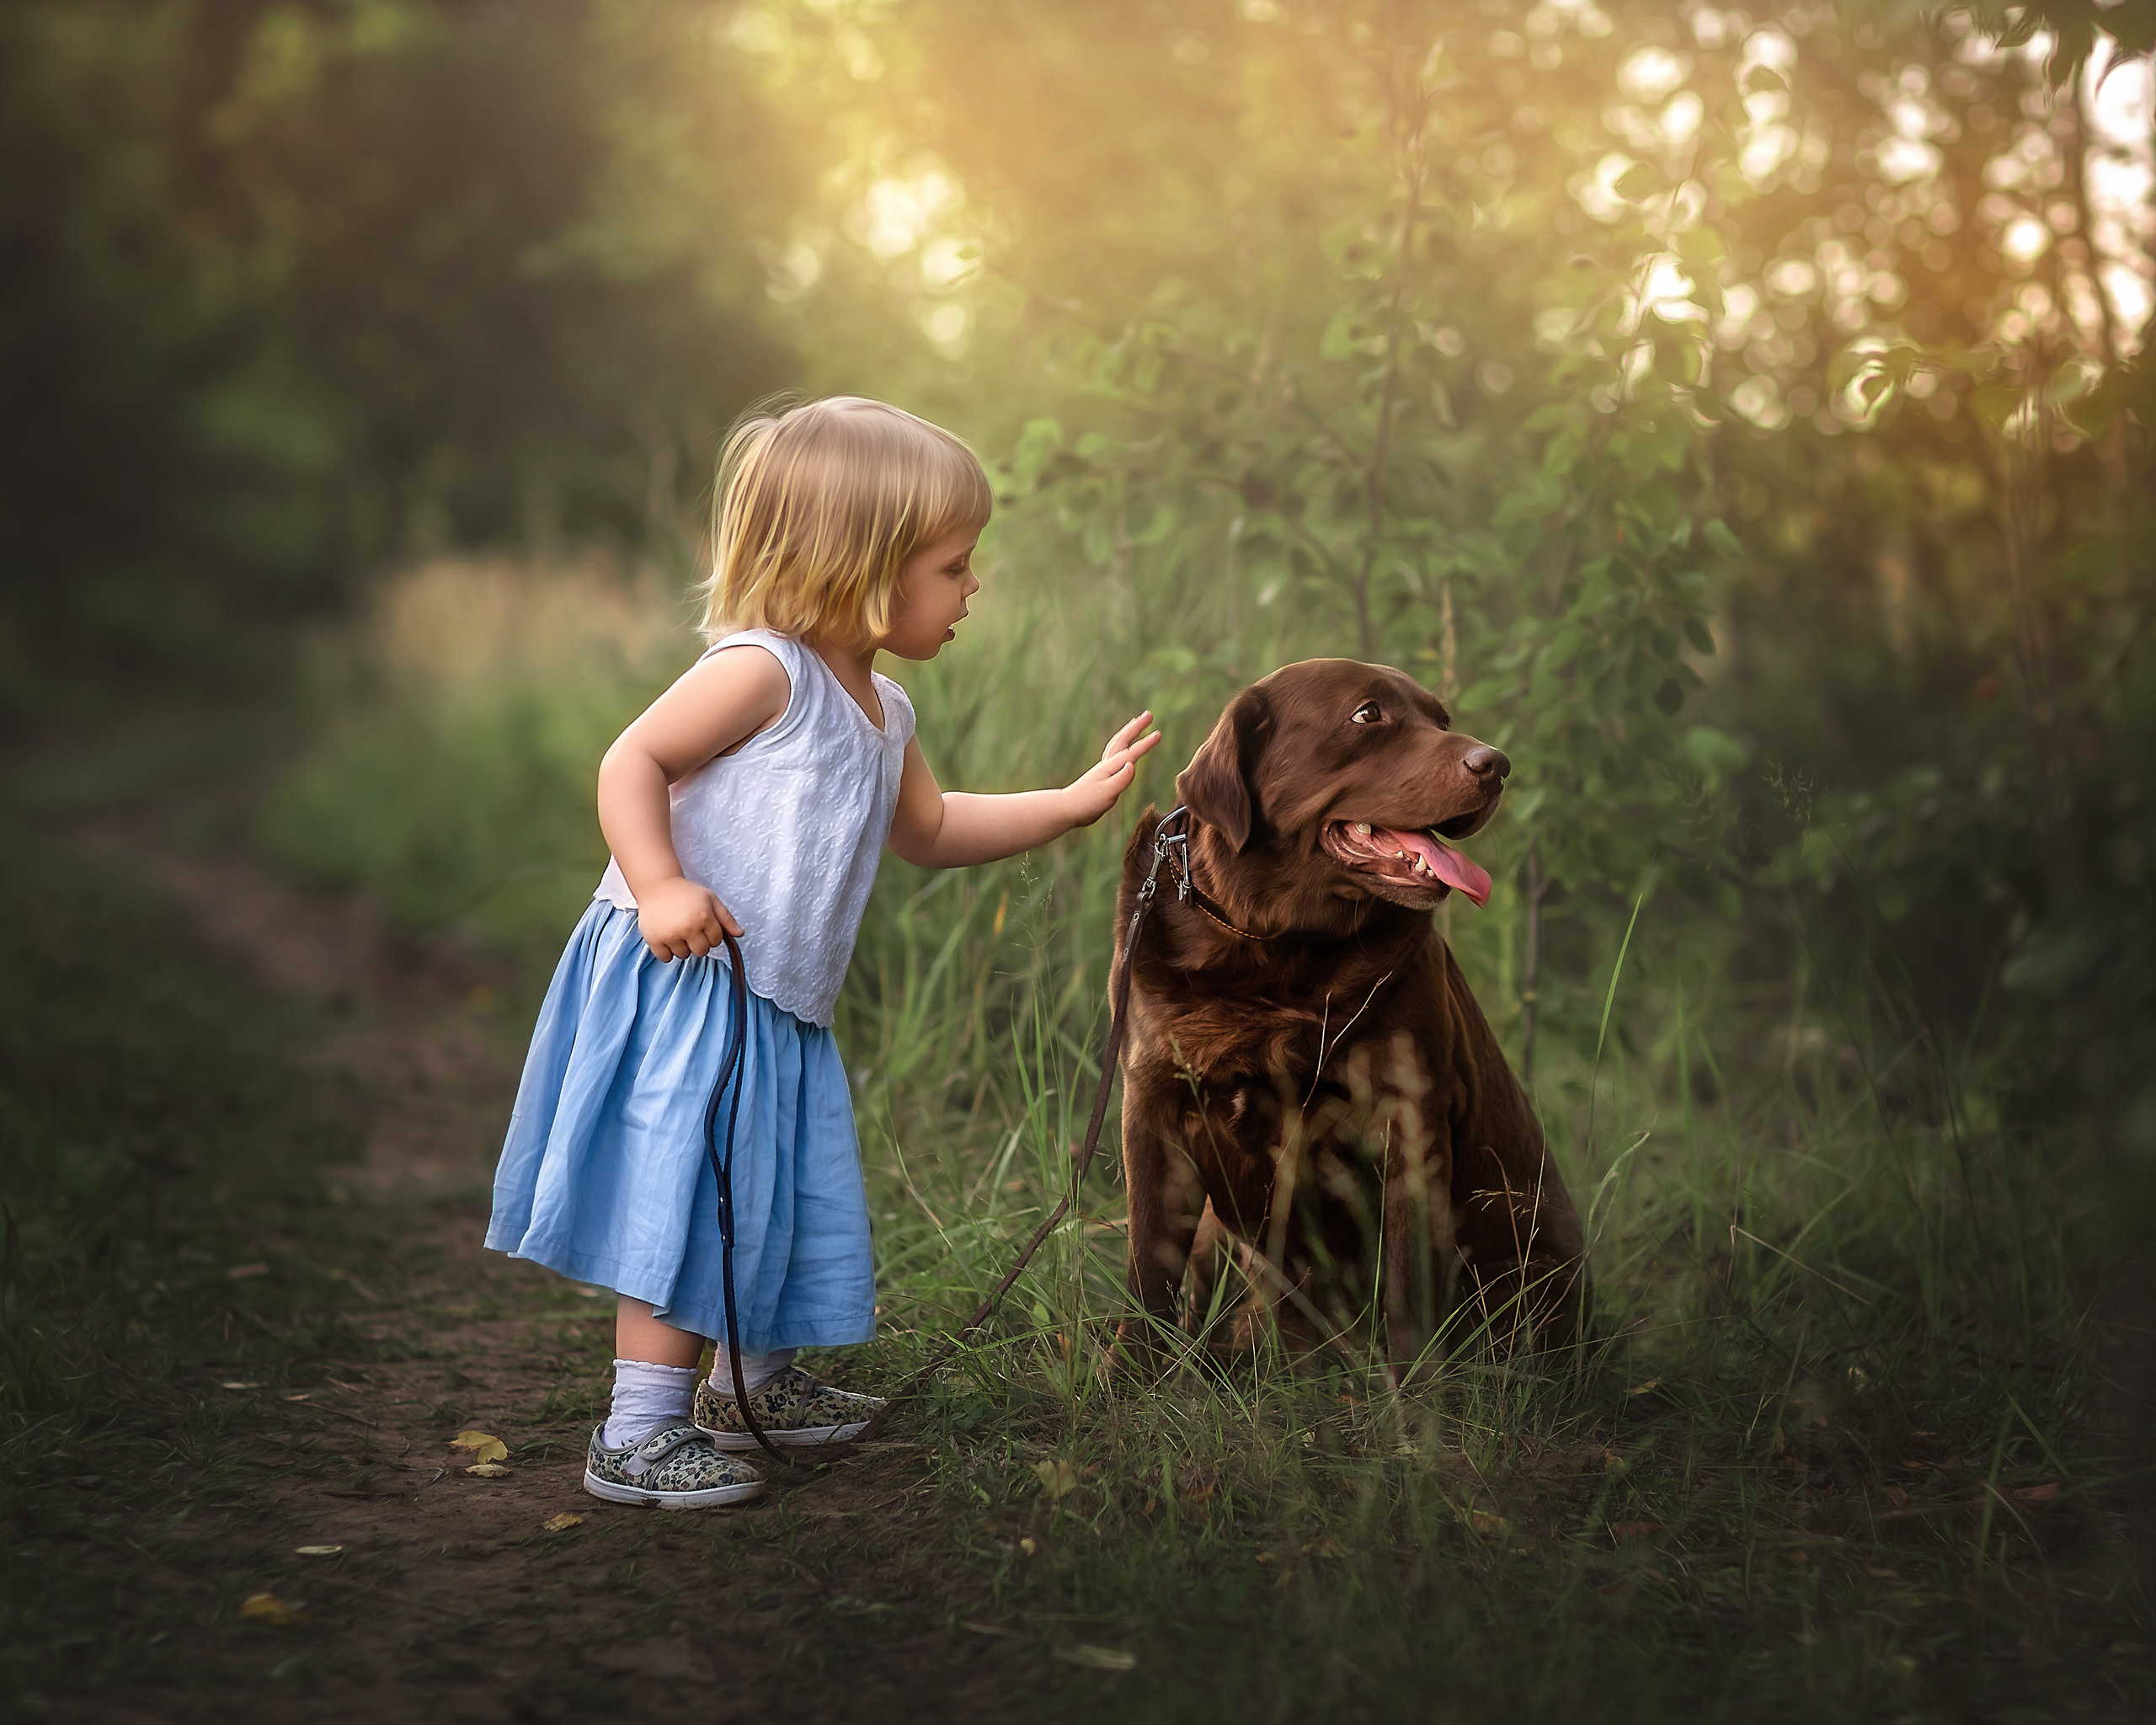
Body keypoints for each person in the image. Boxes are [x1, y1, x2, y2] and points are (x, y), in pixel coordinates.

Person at [485, 396, 1159, 1509]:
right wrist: (660, 885)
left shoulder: (885, 708)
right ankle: (637, 1430)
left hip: (782, 1006)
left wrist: (1070, 802)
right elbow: (632, 760)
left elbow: (931, 830)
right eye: (953, 566)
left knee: (775, 1190)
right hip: (692, 981)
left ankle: (749, 1391)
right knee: (697, 1195)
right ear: (864, 565)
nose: (973, 586)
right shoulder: (765, 673)